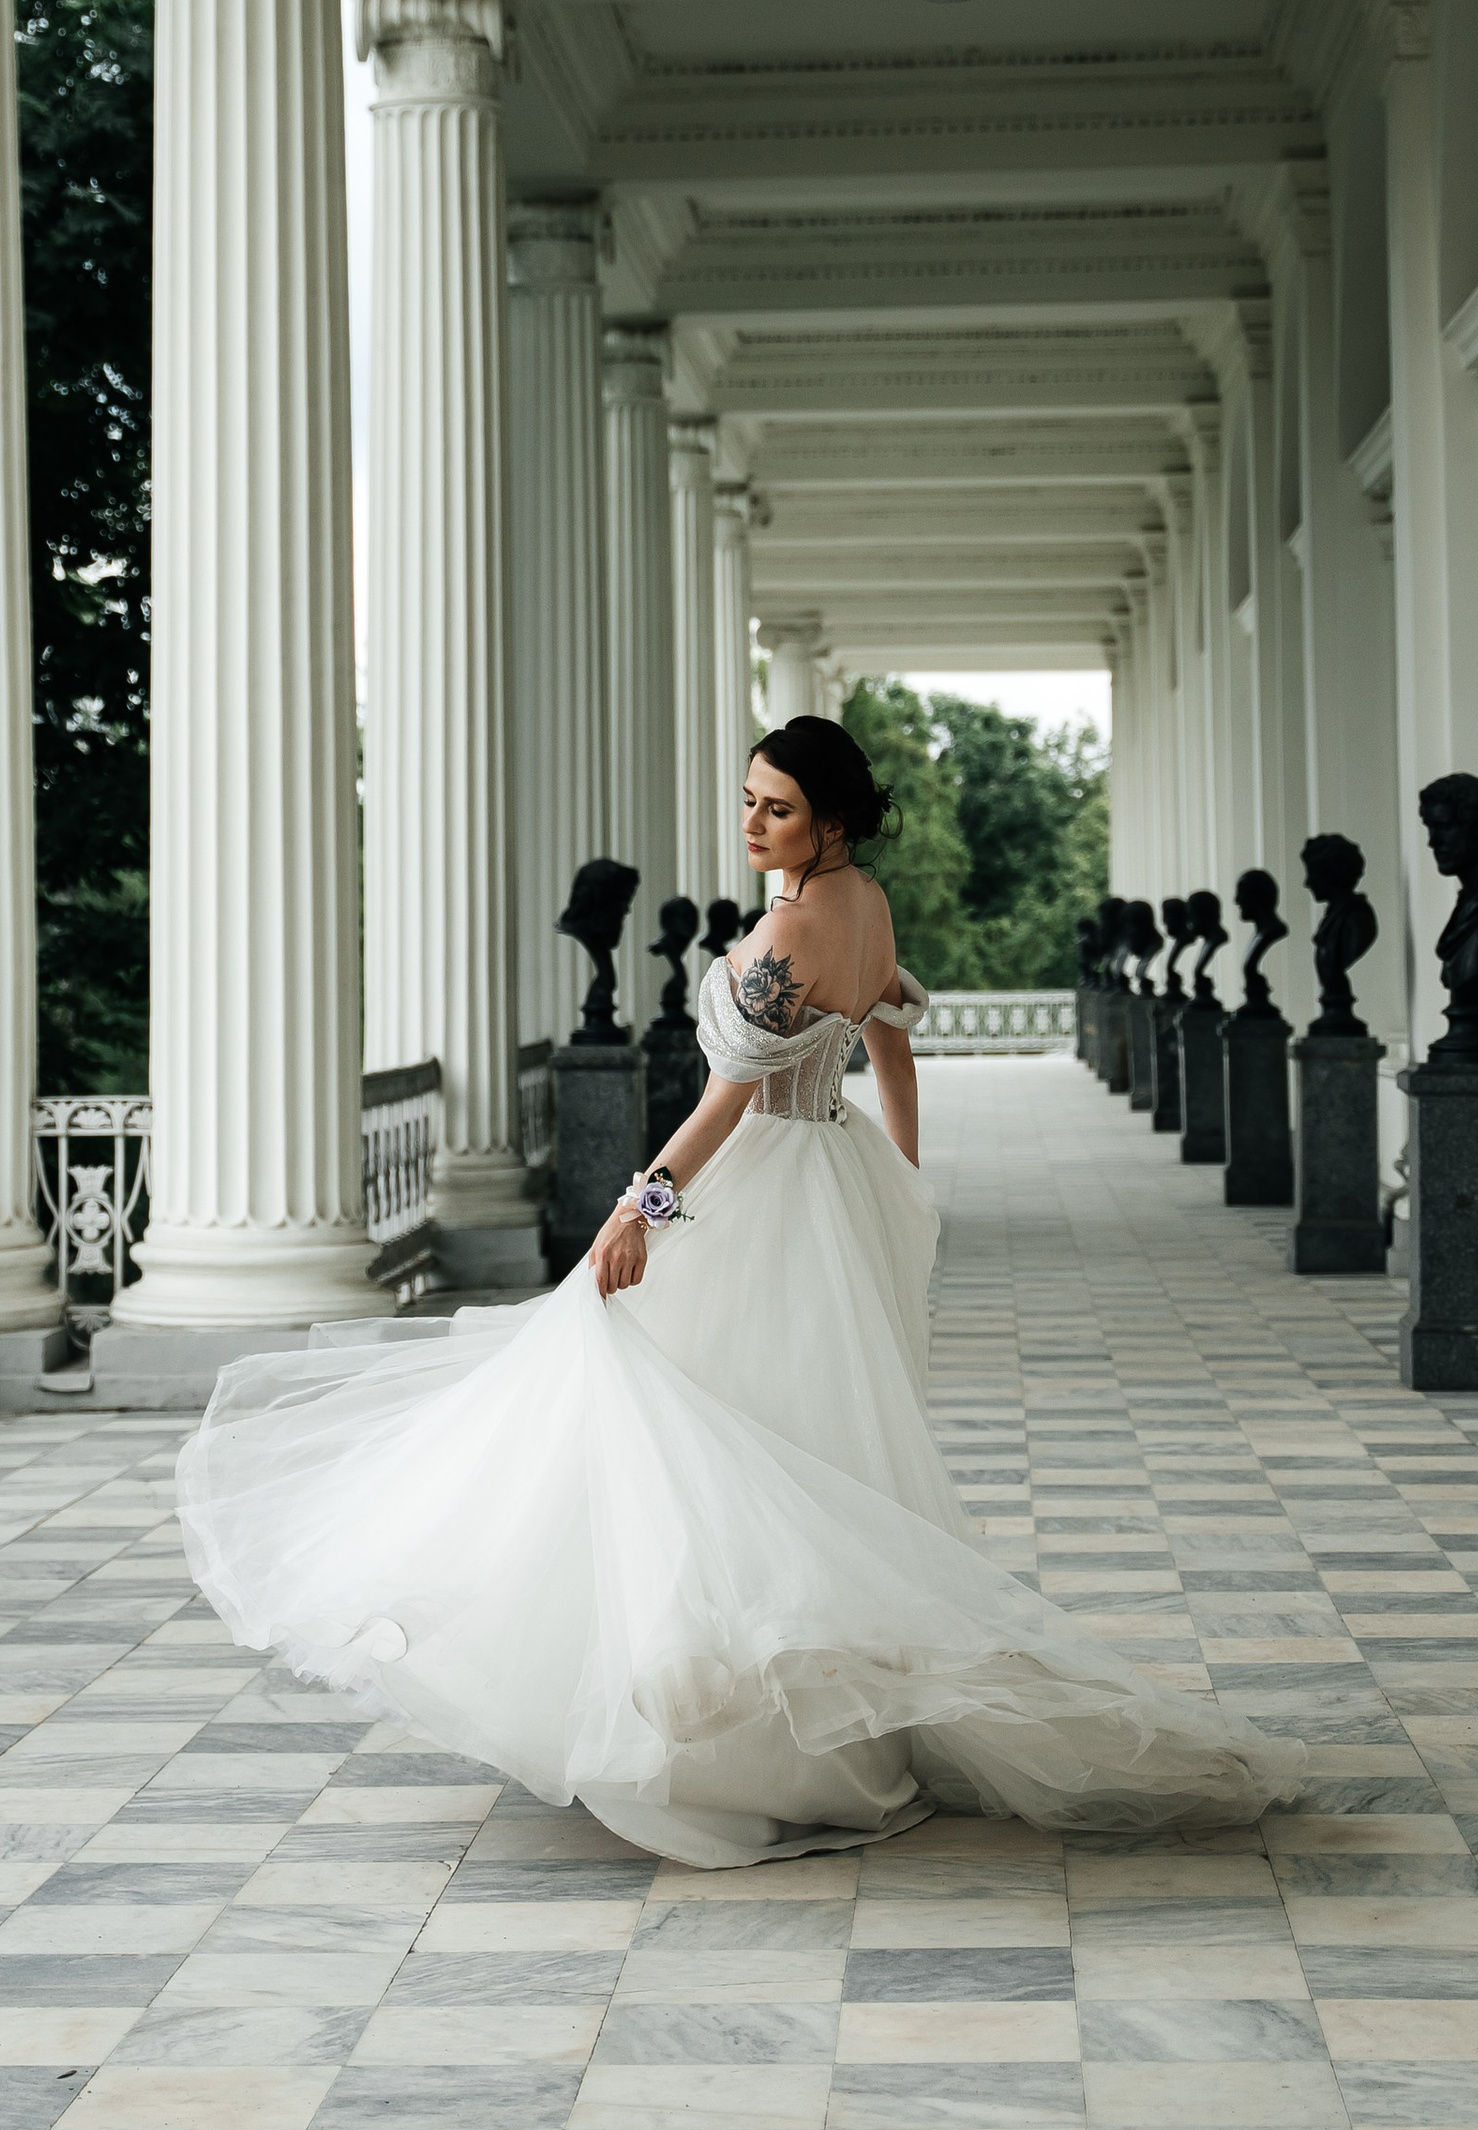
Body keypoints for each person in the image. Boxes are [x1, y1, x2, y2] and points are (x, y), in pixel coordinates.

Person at [176, 716, 1304, 1867]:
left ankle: (724, 1729)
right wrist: (900, 1182)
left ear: (833, 819)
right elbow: (893, 1049)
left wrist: (635, 1214)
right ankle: (788, 1722)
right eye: (748, 801)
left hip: (760, 1176)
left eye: (776, 807)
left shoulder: (792, 925)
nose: (753, 823)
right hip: (833, 1166)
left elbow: (719, 1111)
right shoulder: (863, 903)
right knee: (782, 1437)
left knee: (679, 1415)